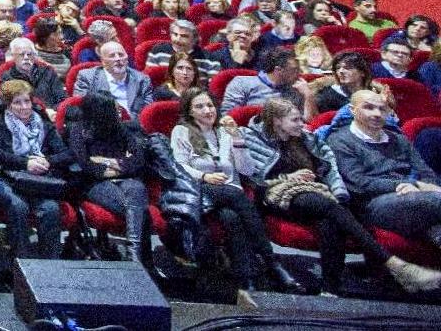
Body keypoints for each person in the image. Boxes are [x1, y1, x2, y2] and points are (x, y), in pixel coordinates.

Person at [244, 97, 441, 294]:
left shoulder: (307, 139)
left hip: (316, 193)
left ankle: (330, 290)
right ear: (278, 121)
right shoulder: (253, 138)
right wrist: (290, 177)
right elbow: (254, 177)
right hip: (276, 193)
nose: (302, 124)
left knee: (330, 221)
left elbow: (330, 171)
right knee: (327, 206)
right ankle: (394, 264)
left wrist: (338, 193)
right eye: (295, 120)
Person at [168, 89, 283, 291]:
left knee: (231, 218)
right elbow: (179, 166)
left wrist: (238, 140)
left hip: (228, 194)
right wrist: (205, 176)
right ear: (190, 111)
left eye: (210, 105)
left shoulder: (225, 133)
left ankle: (246, 280)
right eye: (200, 106)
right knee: (236, 194)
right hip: (199, 190)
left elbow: (246, 169)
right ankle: (271, 261)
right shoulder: (182, 131)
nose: (207, 110)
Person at [327, 88, 441, 254]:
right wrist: (410, 184)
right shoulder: (340, 140)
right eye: (369, 107)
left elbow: (426, 172)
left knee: (435, 226)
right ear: (353, 110)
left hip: (415, 197)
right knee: (434, 200)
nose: (377, 113)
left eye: (382, 109)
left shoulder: (398, 138)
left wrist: (426, 186)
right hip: (372, 205)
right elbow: (358, 183)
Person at [0, 79, 71, 259]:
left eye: (27, 101)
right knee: (18, 207)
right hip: (10, 178)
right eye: (17, 102)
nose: (24, 107)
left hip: (40, 181)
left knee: (50, 209)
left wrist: (47, 161)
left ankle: (51, 264)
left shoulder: (44, 124)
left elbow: (66, 153)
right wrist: (25, 163)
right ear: (8, 105)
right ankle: (22, 262)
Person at [66, 92, 150, 263]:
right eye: (112, 108)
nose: (117, 111)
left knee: (137, 189)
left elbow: (139, 159)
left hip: (124, 179)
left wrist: (108, 163)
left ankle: (134, 254)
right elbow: (85, 165)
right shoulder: (78, 129)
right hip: (93, 184)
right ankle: (137, 258)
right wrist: (121, 165)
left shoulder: (120, 128)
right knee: (138, 210)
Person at [72, 40, 155, 117]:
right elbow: (81, 108)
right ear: (103, 61)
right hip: (102, 124)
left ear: (127, 58)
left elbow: (147, 112)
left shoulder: (142, 79)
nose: (118, 59)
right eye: (112, 56)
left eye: (121, 55)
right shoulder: (87, 77)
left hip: (133, 126)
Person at [222, 46, 306, 113]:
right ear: (278, 70)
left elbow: (306, 121)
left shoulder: (295, 89)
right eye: (294, 70)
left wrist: (308, 96)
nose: (299, 73)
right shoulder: (242, 83)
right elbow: (228, 116)